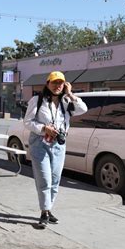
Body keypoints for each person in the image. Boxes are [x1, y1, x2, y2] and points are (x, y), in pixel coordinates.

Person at [23, 71, 87, 228]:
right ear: (47, 84)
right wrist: (44, 128)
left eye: (60, 83)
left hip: (59, 144)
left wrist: (70, 94)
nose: (57, 86)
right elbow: (27, 122)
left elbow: (83, 109)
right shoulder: (37, 100)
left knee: (55, 179)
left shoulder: (67, 101)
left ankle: (48, 209)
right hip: (40, 143)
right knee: (45, 179)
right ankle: (44, 211)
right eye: (54, 83)